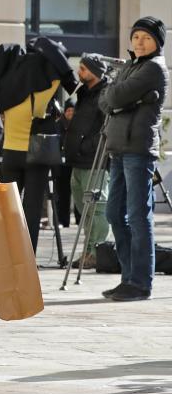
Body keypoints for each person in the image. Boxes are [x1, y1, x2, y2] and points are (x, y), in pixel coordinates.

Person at [100, 17, 169, 302]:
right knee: (115, 213)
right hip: (118, 148)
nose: (139, 42)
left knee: (139, 217)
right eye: (136, 36)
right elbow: (104, 100)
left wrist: (119, 100)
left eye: (146, 38)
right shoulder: (132, 65)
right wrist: (120, 100)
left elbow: (114, 98)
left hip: (138, 151)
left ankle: (140, 283)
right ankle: (128, 277)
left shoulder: (153, 68)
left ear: (157, 43)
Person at [0, 36, 76, 251]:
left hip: (9, 154)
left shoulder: (5, 84)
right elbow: (60, 66)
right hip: (36, 154)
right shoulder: (48, 83)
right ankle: (27, 256)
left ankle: (7, 253)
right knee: (32, 210)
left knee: (8, 209)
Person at [63, 55, 110, 268]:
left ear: (95, 71)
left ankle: (97, 252)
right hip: (77, 160)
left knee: (97, 208)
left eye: (82, 69)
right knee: (84, 210)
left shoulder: (105, 94)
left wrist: (87, 146)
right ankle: (88, 251)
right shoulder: (83, 93)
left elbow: (105, 128)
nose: (79, 72)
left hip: (94, 161)